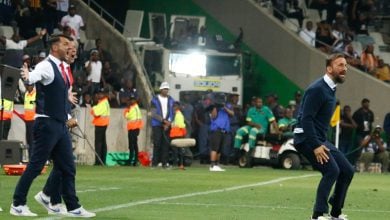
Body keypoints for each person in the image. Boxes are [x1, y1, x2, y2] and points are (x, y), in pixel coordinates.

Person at [11, 34, 95, 217]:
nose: (69, 47)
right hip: (46, 124)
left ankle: (73, 207)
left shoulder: (60, 67)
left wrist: (66, 110)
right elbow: (33, 77)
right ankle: (18, 204)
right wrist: (27, 77)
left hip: (59, 124)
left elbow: (57, 94)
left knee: (67, 167)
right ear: (55, 48)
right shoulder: (46, 66)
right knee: (35, 166)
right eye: (65, 44)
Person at [293, 53, 354, 220]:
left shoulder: (330, 88)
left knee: (347, 170)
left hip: (320, 139)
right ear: (329, 68)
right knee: (332, 171)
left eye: (345, 66)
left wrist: (320, 142)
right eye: (340, 65)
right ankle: (317, 214)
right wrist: (315, 146)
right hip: (306, 138)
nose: (344, 69)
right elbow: (306, 119)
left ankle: (335, 213)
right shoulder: (317, 89)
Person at [150, 82, 175, 168]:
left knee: (165, 144)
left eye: (167, 89)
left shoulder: (171, 100)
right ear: (161, 89)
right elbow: (153, 114)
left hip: (167, 125)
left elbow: (172, 113)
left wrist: (168, 123)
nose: (166, 90)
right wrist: (163, 121)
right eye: (165, 89)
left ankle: (165, 163)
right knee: (157, 143)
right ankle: (155, 163)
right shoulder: (154, 100)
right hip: (157, 124)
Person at [208, 102, 234, 172]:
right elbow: (213, 116)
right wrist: (215, 107)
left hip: (224, 131)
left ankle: (216, 165)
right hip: (216, 130)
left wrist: (224, 107)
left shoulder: (225, 109)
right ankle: (212, 165)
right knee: (215, 148)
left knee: (219, 150)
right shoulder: (213, 108)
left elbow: (232, 114)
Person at [90, 87, 110, 166]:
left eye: (101, 94)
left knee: (98, 143)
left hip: (100, 124)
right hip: (102, 124)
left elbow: (96, 113)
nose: (99, 95)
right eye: (98, 94)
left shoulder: (103, 103)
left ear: (104, 94)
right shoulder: (103, 102)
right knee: (102, 143)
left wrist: (92, 109)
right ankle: (102, 160)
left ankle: (98, 161)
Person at [352, 98, 374, 164]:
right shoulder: (358, 113)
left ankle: (367, 163)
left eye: (368, 103)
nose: (367, 104)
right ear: (362, 104)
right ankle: (358, 163)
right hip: (360, 134)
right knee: (360, 148)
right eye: (366, 103)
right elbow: (354, 123)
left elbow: (371, 123)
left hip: (368, 133)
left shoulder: (370, 113)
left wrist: (371, 133)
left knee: (369, 149)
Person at [124, 92, 143, 166]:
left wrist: (126, 111)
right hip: (136, 128)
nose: (131, 101)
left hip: (133, 128)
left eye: (133, 100)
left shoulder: (133, 108)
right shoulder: (136, 107)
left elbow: (127, 116)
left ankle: (131, 160)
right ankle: (135, 160)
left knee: (132, 145)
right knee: (134, 145)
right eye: (131, 100)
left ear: (135, 100)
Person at [170, 101, 187, 170]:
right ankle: (180, 164)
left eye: (175, 106)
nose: (174, 107)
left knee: (177, 150)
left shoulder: (178, 114)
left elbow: (180, 125)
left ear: (178, 107)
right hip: (177, 134)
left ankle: (178, 164)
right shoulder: (177, 114)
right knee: (178, 150)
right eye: (173, 106)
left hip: (177, 134)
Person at [23, 82, 36, 159]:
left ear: (32, 86)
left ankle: (32, 158)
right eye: (26, 85)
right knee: (28, 140)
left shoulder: (36, 95)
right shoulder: (26, 94)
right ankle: (30, 157)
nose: (27, 87)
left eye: (28, 85)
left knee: (32, 140)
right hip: (27, 120)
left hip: (33, 120)